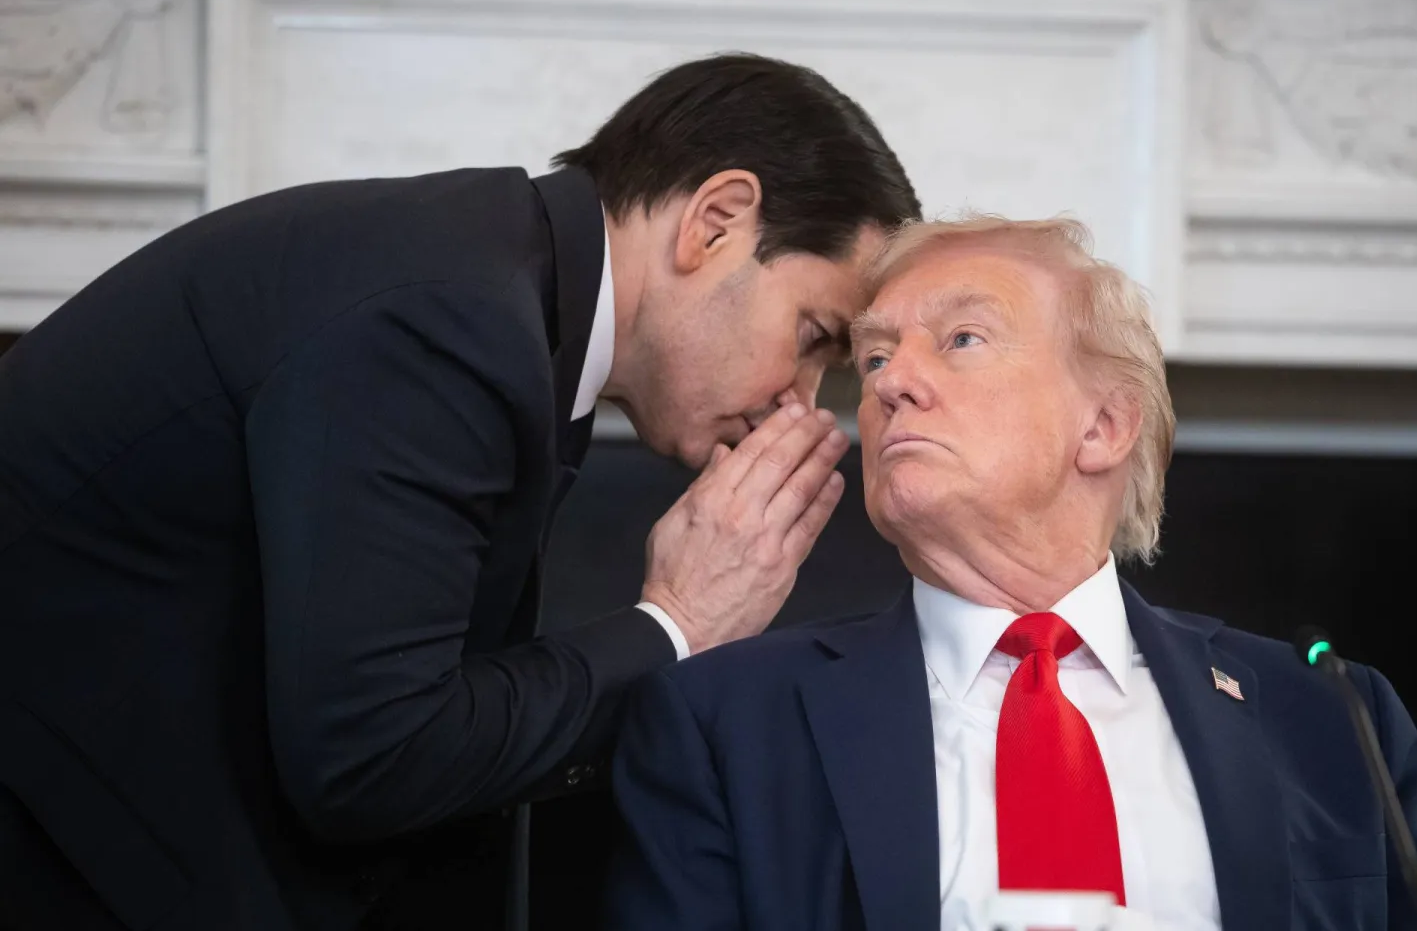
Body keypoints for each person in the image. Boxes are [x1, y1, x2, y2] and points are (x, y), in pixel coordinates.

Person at [0, 53, 920, 931]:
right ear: (715, 221)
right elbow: (373, 756)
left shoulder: (500, 283)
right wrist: (677, 624)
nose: (798, 402)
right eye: (812, 337)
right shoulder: (451, 318)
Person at [601, 215, 1417, 931]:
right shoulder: (726, 719)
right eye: (871, 359)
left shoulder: (1328, 715)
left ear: (1103, 426)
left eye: (963, 338)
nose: (892, 381)